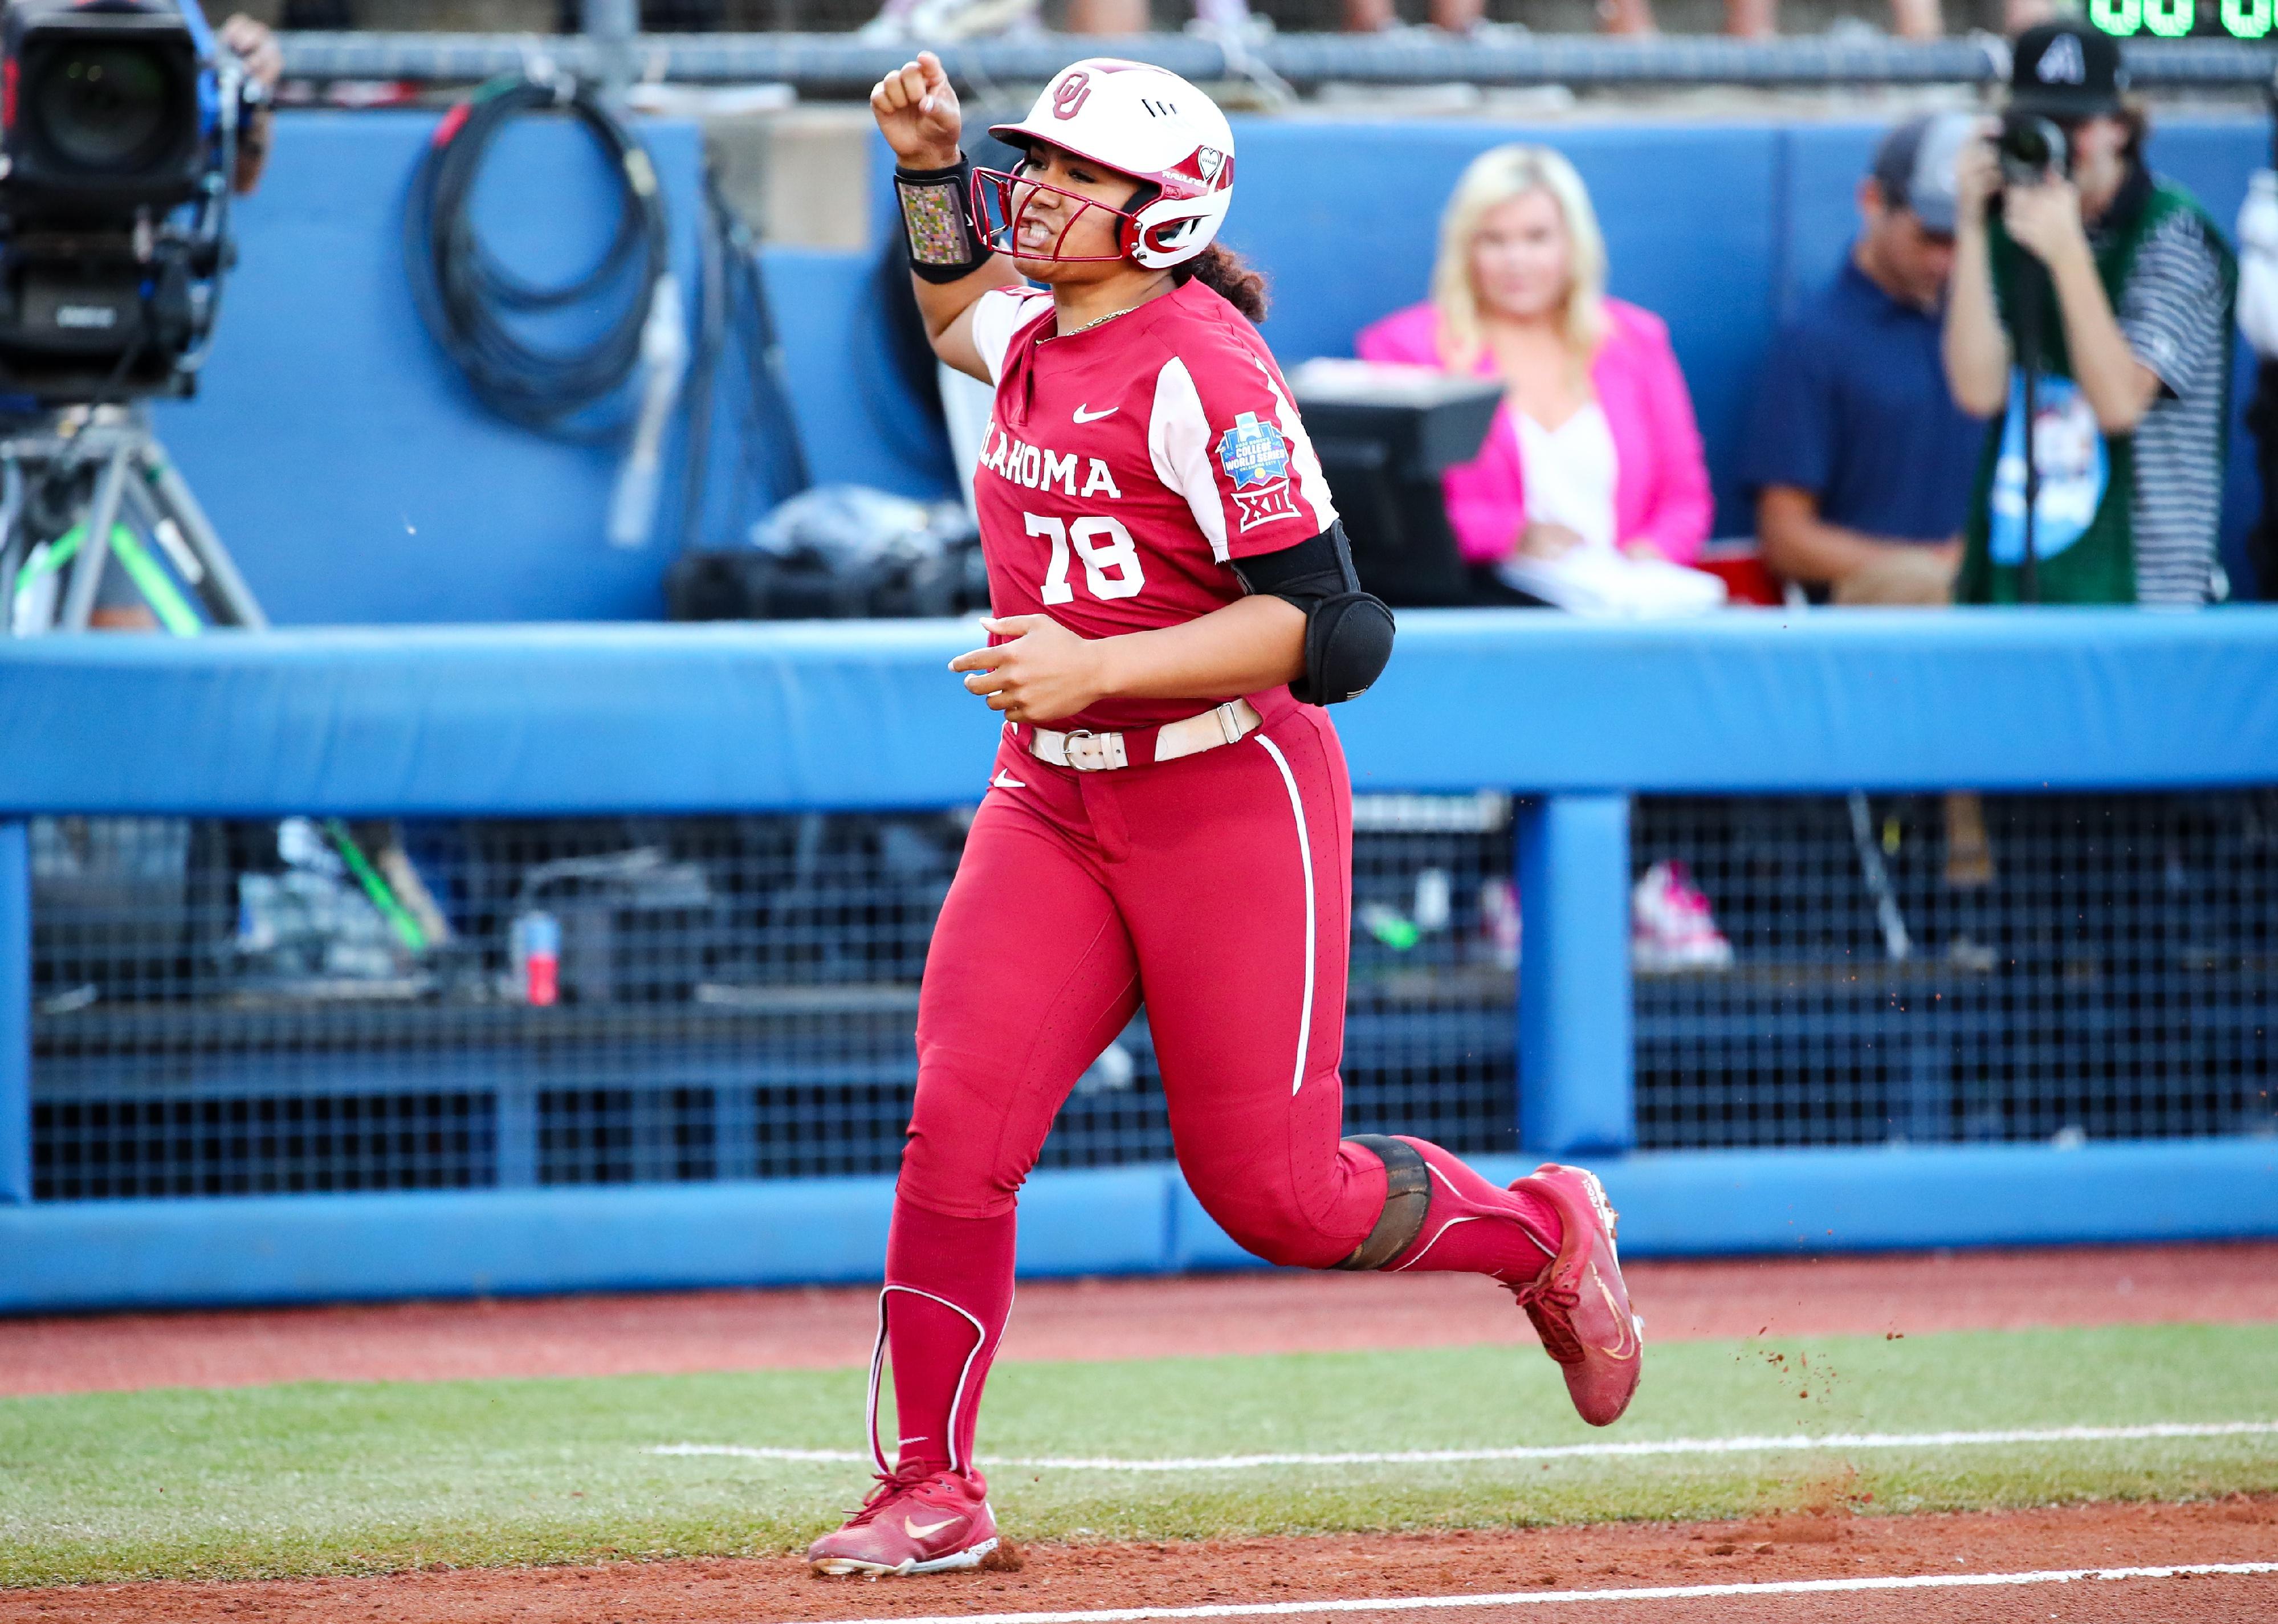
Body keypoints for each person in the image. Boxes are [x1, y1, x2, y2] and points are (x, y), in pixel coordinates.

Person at [808, 51, 1644, 1580]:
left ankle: (1537, 1232)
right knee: (955, 1130)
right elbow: (946, 312)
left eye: (1076, 175)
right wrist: (928, 168)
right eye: (1036, 162)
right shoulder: (1038, 329)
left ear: (1164, 215)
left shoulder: (1205, 366)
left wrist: (1098, 662)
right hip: (1053, 799)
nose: (1040, 189)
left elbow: (1333, 628)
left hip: (1223, 788)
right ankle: (927, 1484)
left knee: (1270, 1192)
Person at [1944, 20, 2237, 607]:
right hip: (2023, 567)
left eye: (2073, 126)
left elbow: (2119, 403)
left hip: (2146, 589)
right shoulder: (2011, 222)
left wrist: (2067, 250)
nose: (2057, 144)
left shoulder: (2174, 234)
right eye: (2039, 123)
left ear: (2119, 129)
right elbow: (1977, 391)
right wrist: (1972, 228)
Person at [1355, 144, 1712, 604]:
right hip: (1486, 607)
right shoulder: (1405, 347)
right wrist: (1509, 536)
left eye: (1536, 237)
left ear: (1573, 242)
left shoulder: (1636, 341)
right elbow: (1389, 517)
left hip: (1626, 611)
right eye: (1494, 240)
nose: (1516, 260)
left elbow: (1684, 498)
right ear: (1465, 249)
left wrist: (1650, 555)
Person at [1742, 113, 1986, 607]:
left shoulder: (1997, 336)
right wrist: (1937, 567)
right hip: (1876, 624)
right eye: (1931, 236)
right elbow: (1786, 539)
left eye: (1965, 239)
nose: (1947, 260)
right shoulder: (1815, 341)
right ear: (1872, 201)